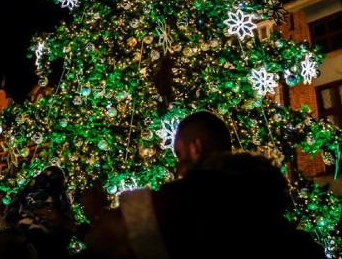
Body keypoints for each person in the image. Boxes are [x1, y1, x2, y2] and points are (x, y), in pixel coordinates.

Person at [80, 110, 326, 259]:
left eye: (178, 154)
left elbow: (108, 240)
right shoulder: (264, 202)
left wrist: (98, 212)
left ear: (195, 147)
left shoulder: (184, 200)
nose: (176, 167)